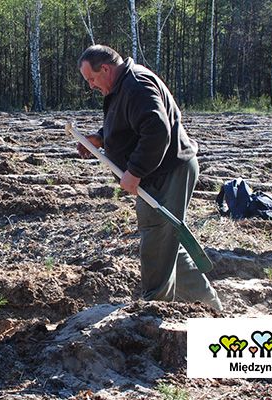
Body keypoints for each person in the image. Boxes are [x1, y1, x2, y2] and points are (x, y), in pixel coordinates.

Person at [76, 45, 222, 311]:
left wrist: (135, 171)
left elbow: (157, 132)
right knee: (168, 242)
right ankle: (209, 306)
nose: (91, 86)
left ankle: (153, 315)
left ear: (105, 69)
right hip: (159, 174)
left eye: (91, 79)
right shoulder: (123, 85)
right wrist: (101, 138)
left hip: (168, 173)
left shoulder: (137, 85)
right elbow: (131, 122)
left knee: (156, 241)